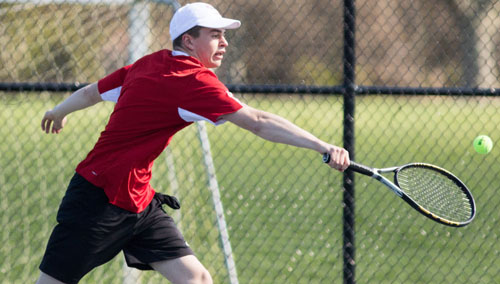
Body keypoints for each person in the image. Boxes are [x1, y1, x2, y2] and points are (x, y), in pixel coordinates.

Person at [37, 2, 350, 284]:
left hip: (139, 202)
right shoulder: (192, 81)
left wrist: (59, 111)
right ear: (188, 41)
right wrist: (322, 146)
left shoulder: (150, 62)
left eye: (223, 35)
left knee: (197, 279)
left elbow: (92, 92)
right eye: (214, 35)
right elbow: (258, 121)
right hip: (98, 200)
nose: (225, 42)